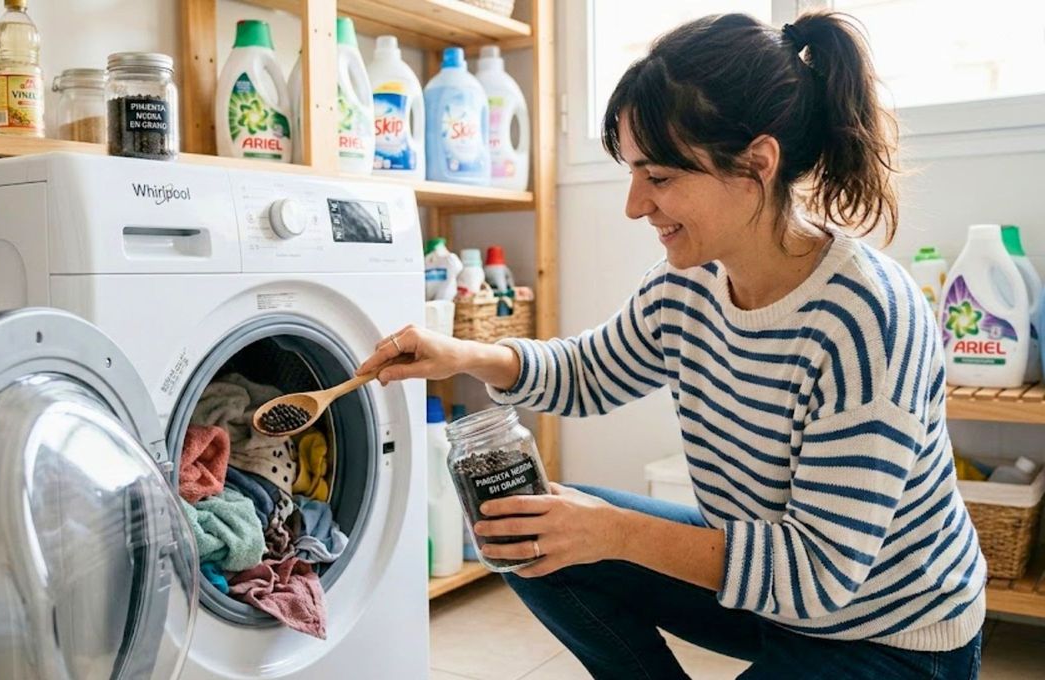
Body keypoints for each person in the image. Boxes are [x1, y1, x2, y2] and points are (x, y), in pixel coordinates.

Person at [358, 10, 985, 680]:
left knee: (581, 526)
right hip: (769, 593)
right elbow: (587, 374)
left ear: (758, 164)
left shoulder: (867, 320)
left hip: (888, 632)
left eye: (658, 177)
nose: (634, 204)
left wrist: (610, 530)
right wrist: (460, 354)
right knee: (530, 527)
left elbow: (819, 575)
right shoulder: (689, 285)